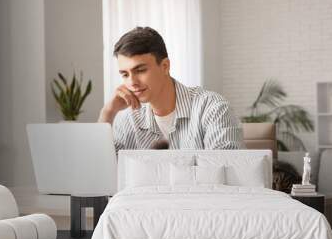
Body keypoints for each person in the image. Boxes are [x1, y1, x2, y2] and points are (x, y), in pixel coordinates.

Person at [98, 26, 245, 152]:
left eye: (140, 70)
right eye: (125, 74)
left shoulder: (213, 109)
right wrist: (108, 113)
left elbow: (225, 174)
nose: (132, 82)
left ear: (165, 66)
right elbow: (102, 175)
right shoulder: (128, 120)